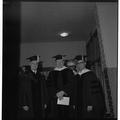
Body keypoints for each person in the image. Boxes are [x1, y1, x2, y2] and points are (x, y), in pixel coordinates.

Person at [74, 55, 106, 120]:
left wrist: (90, 104)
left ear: (85, 63)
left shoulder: (91, 75)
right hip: (79, 104)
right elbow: (74, 91)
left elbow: (94, 92)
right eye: (78, 63)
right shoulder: (76, 76)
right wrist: (74, 103)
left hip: (88, 104)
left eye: (81, 63)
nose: (79, 65)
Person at [18, 55, 48, 120]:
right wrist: (24, 103)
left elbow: (44, 89)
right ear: (30, 64)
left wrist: (45, 102)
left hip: (40, 102)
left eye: (36, 63)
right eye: (33, 63)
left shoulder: (41, 76)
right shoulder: (25, 76)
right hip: (29, 103)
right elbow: (22, 91)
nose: (35, 65)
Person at [46, 55, 74, 120]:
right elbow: (49, 86)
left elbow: (72, 83)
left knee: (67, 114)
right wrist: (56, 93)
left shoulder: (69, 71)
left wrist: (63, 91)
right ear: (55, 62)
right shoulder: (52, 73)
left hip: (67, 97)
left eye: (61, 61)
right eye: (58, 62)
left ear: (63, 62)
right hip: (55, 99)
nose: (59, 63)